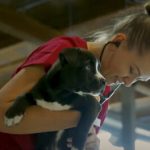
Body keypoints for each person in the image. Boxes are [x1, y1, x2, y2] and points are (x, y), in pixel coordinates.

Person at [0, 2, 150, 150]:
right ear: (118, 41)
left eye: (139, 79)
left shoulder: (102, 92)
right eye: (132, 70)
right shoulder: (65, 54)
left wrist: (90, 145)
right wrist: (80, 118)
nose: (129, 83)